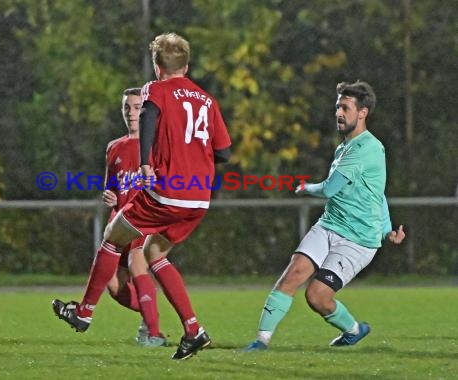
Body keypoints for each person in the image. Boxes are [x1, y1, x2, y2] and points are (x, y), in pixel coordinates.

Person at [52, 32, 232, 360]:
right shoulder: (207, 99)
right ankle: (193, 331)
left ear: (157, 65)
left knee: (112, 236)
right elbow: (225, 153)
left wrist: (148, 162)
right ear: (186, 65)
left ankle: (84, 312)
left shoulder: (156, 89)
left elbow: (148, 117)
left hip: (167, 193)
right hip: (199, 198)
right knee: (155, 253)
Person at [245, 81, 406, 352]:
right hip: (329, 225)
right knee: (292, 274)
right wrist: (388, 228)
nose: (338, 113)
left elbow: (330, 188)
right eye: (337, 107)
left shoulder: (368, 148)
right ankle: (260, 342)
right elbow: (376, 192)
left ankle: (354, 330)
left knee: (316, 296)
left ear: (363, 112)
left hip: (357, 240)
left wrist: (306, 187)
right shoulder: (343, 148)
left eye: (345, 107)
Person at [102, 87, 166, 347]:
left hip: (144, 220)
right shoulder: (114, 147)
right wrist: (109, 197)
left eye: (137, 107)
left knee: (137, 263)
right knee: (114, 286)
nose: (131, 113)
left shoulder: (157, 144)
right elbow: (111, 188)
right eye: (126, 107)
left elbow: (170, 181)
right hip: (119, 223)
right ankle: (149, 315)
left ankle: (153, 333)